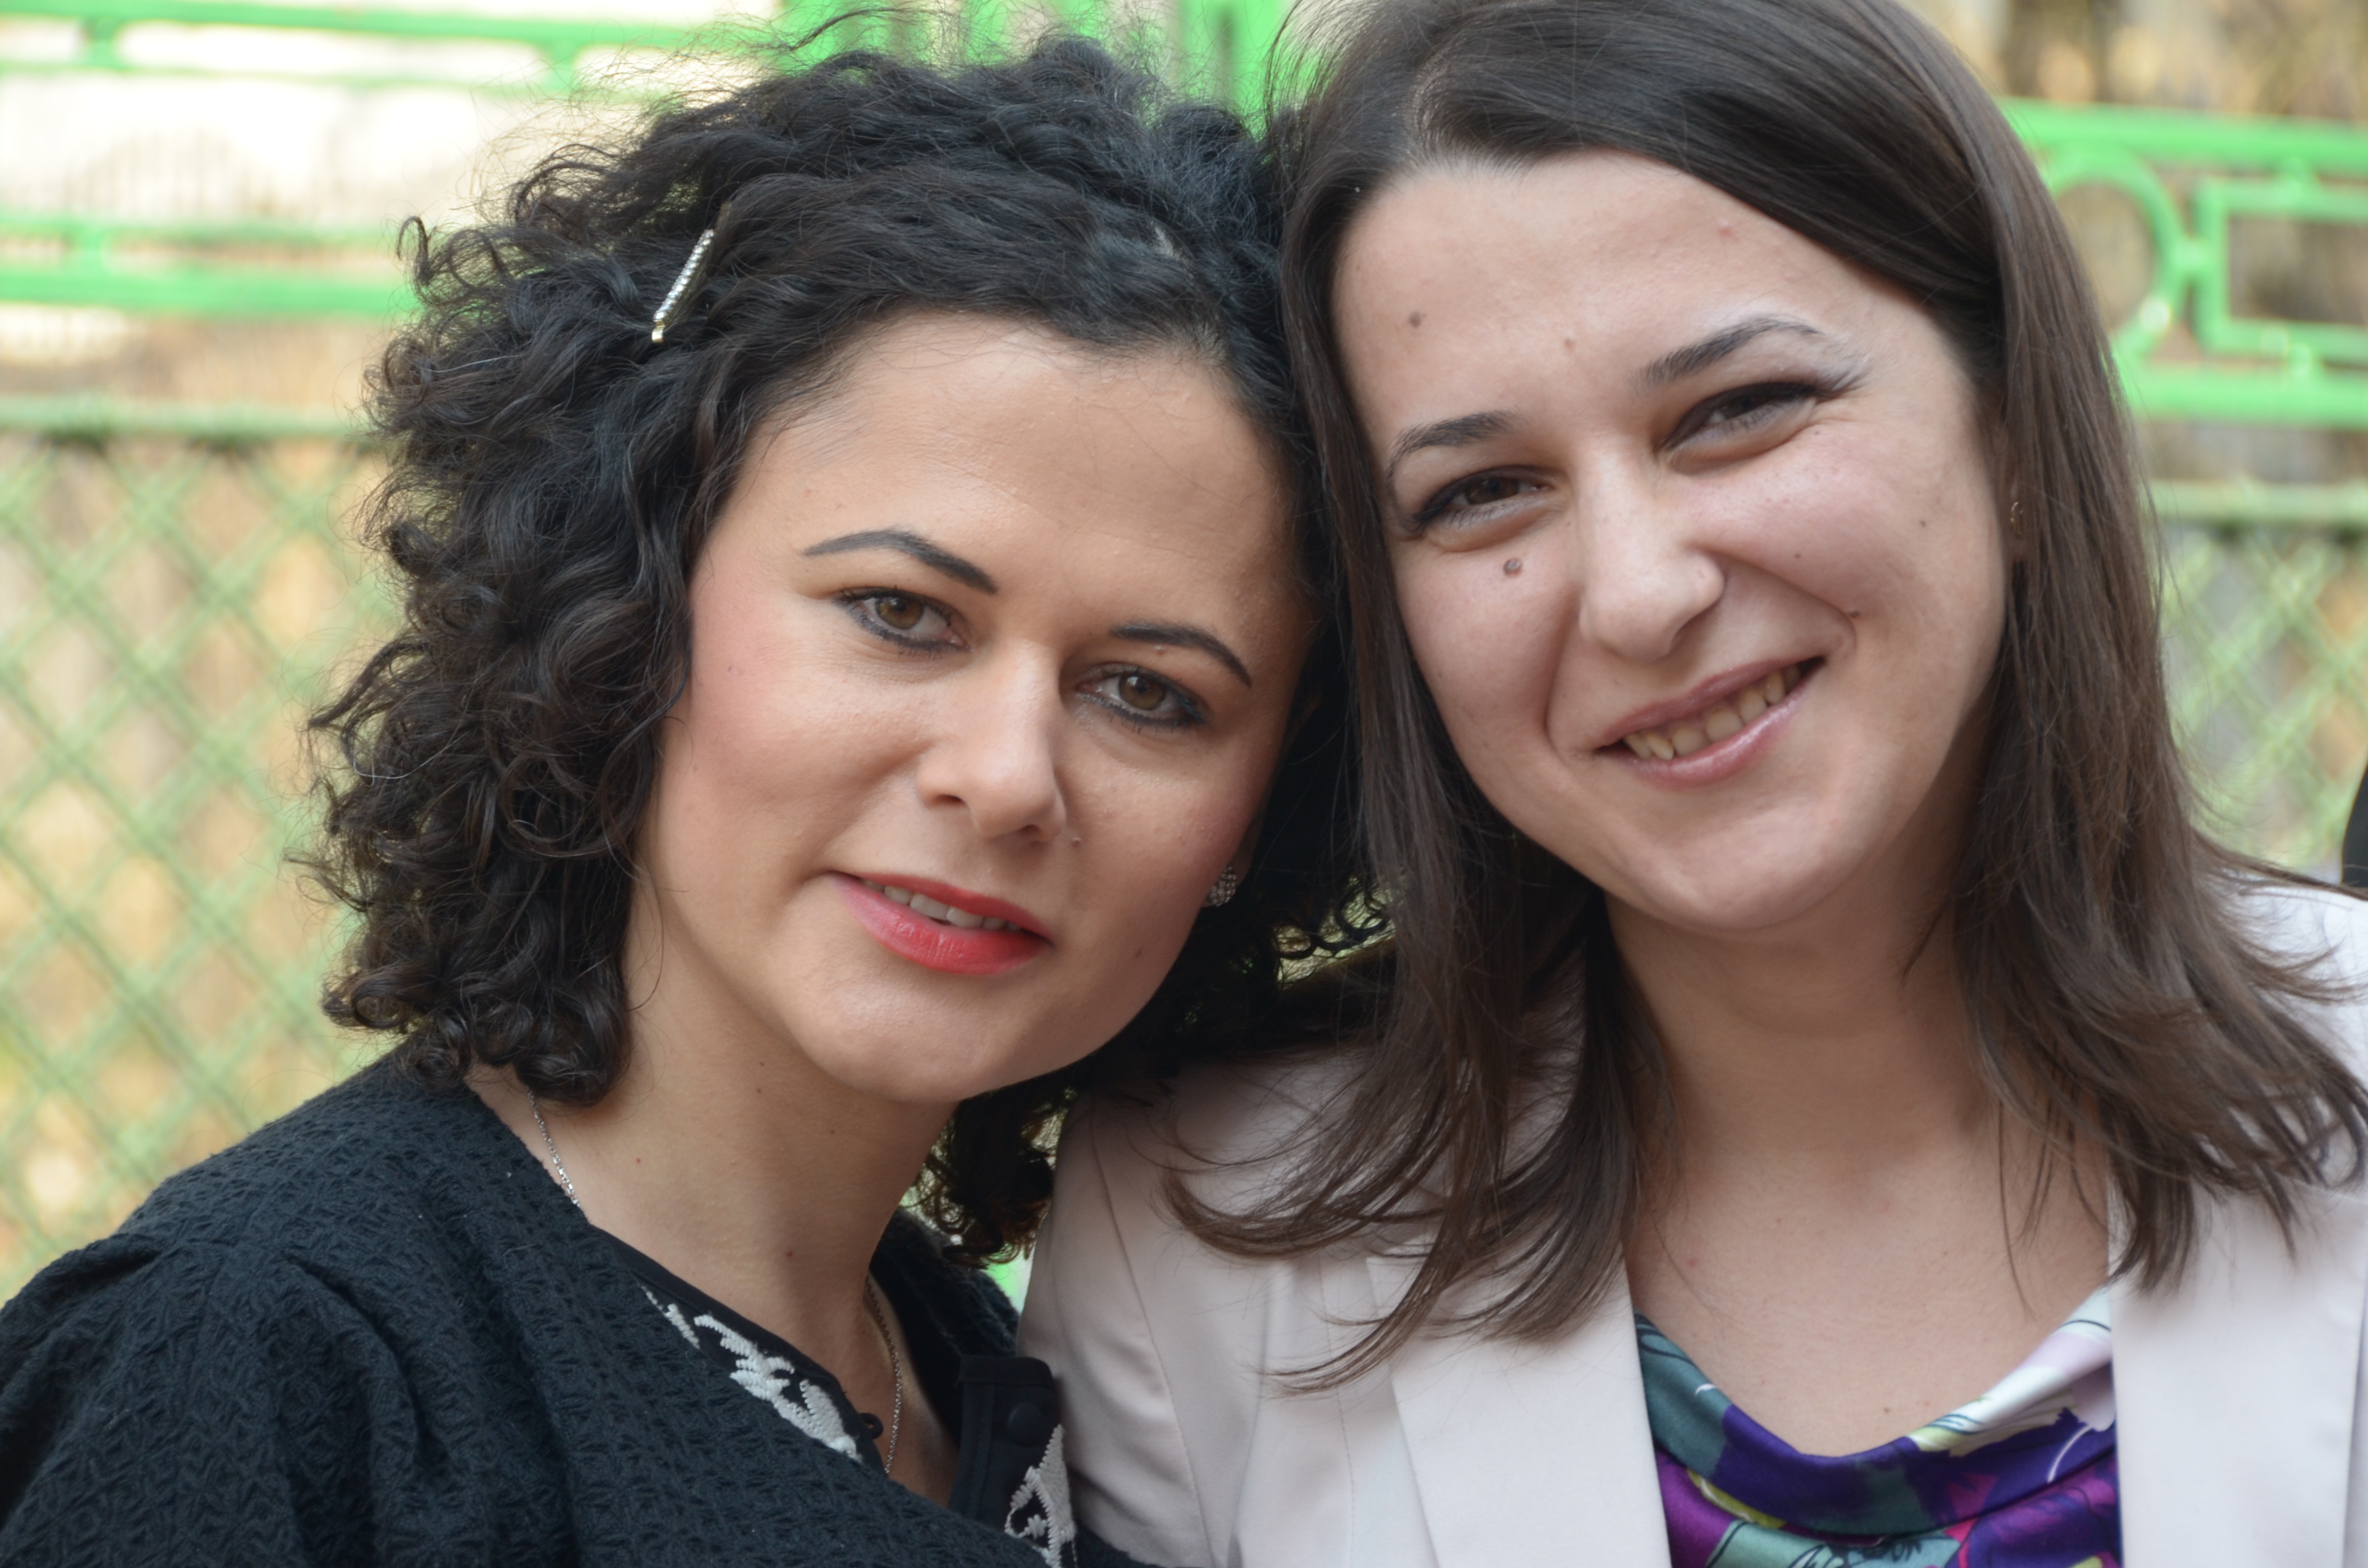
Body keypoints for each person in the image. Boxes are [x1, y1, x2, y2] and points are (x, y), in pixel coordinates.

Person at [1019, 1, 2368, 1564]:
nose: (1640, 595)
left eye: (1737, 411)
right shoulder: (1196, 1249)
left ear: (2009, 428)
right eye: (1482, 491)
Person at [0, 34, 1358, 1567]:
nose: (1004, 777)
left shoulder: (1008, 1389)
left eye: (1150, 693)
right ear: (631, 604)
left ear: (1267, 806)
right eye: (902, 614)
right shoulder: (266, 1356)